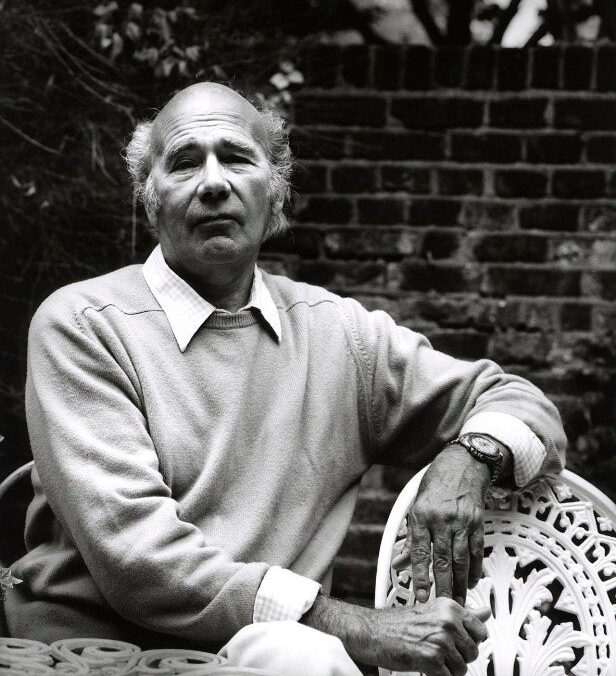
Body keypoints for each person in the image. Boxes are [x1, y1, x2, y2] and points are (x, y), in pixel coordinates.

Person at [6, 83, 566, 676]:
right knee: (303, 655)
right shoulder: (83, 325)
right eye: (185, 162)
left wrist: (470, 457)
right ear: (151, 198)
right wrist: (361, 628)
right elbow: (141, 562)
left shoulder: (339, 335)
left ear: (274, 191)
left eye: (236, 158)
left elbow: (520, 403)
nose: (214, 182)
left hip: (270, 657)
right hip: (94, 659)